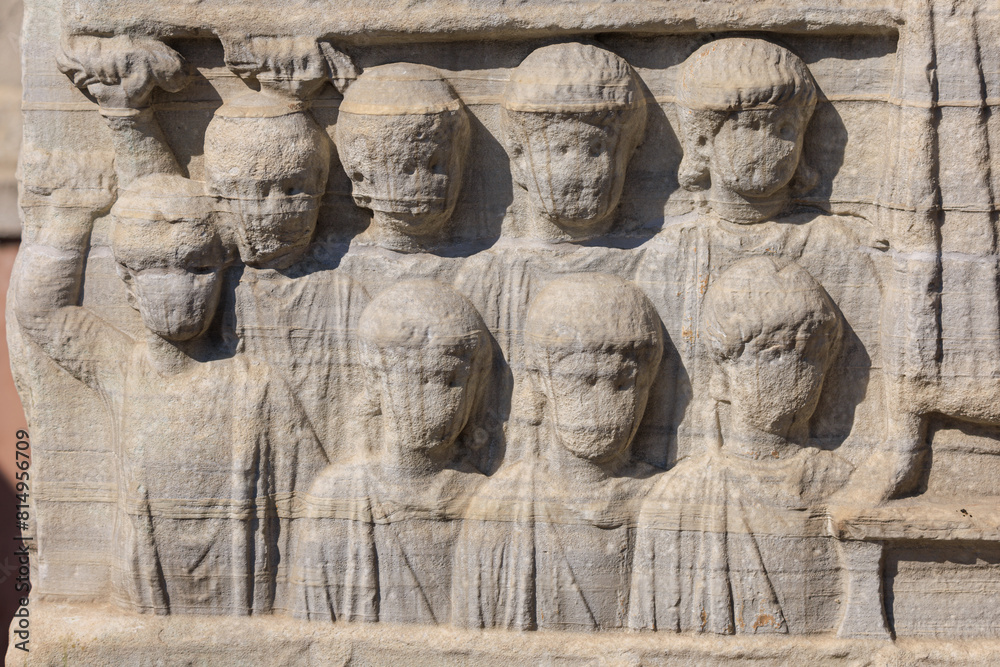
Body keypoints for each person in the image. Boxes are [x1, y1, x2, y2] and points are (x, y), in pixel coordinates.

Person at [15, 173, 327, 615]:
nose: (178, 289)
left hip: (240, 593)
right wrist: (72, 215)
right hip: (144, 587)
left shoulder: (257, 386)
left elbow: (317, 505)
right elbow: (41, 312)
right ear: (127, 281)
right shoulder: (122, 366)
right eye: (155, 270)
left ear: (224, 273)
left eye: (198, 269)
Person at [634, 37, 888, 479]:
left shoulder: (833, 247)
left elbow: (862, 384)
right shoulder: (670, 255)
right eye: (750, 127)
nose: (770, 145)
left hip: (805, 469)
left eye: (785, 129)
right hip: (697, 475)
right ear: (702, 139)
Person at [629, 257, 853, 635]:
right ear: (722, 372)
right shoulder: (678, 497)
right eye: (774, 352)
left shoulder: (840, 483)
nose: (795, 373)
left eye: (810, 354)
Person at [452, 273, 663, 631]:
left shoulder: (663, 501)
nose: (603, 405)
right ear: (540, 378)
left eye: (622, 382)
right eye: (584, 380)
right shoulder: (501, 508)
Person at [291, 280, 492, 625]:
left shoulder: (483, 498)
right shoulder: (338, 494)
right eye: (416, 379)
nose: (438, 404)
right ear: (375, 378)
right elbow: (312, 627)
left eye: (451, 381)